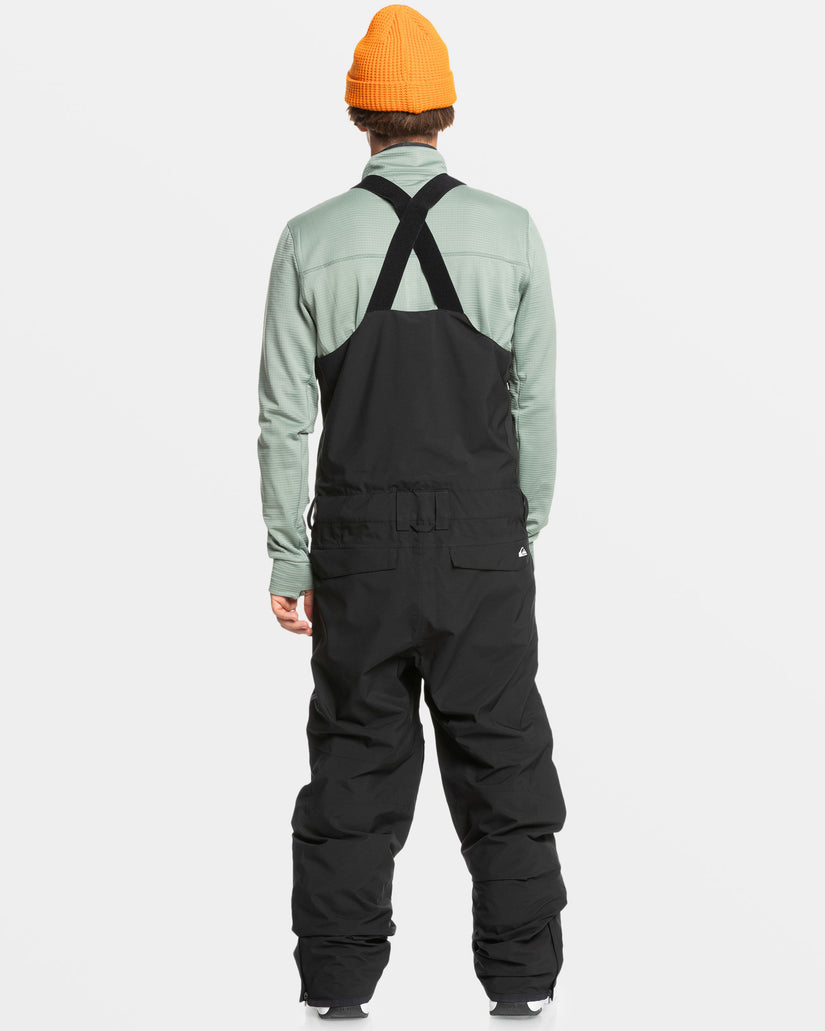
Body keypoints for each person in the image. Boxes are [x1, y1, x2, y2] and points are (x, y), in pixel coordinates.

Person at [257, 4, 567, 1020]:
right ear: (445, 112)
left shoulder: (308, 239)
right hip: (483, 546)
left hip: (358, 554)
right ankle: (522, 987)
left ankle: (336, 993)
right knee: (503, 764)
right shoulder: (511, 231)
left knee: (353, 764)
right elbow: (534, 401)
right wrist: (520, 527)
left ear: (359, 114)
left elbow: (282, 419)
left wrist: (290, 558)